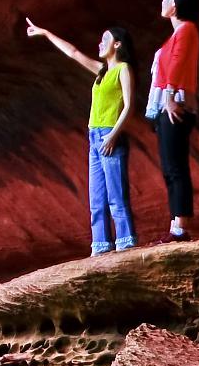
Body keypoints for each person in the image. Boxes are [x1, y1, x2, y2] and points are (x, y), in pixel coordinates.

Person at [25, 17, 137, 255]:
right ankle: (100, 246)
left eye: (105, 39)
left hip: (109, 135)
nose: (100, 43)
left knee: (116, 193)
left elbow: (129, 106)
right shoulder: (102, 71)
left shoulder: (122, 69)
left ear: (117, 44)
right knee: (96, 195)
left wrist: (113, 135)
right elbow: (74, 53)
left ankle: (125, 241)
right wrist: (46, 32)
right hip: (94, 136)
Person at [147, 0, 199, 242]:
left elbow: (178, 63)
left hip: (176, 102)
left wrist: (168, 96)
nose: (163, 2)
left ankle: (180, 227)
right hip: (166, 103)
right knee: (169, 167)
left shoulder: (187, 30)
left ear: (176, 4)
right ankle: (175, 223)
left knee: (176, 166)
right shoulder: (175, 34)